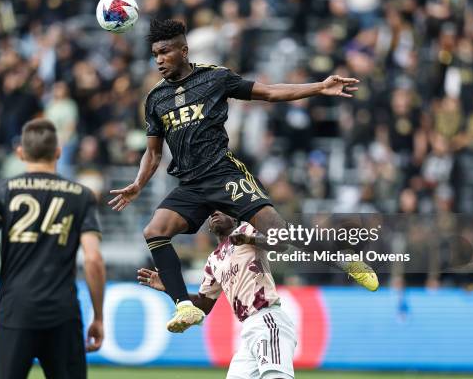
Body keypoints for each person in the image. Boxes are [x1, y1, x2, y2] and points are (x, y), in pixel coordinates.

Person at [109, 19, 378, 333]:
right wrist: (138, 185)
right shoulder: (156, 99)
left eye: (165, 52)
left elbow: (270, 92)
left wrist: (318, 87)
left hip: (224, 175)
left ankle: (342, 258)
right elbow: (153, 153)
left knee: (279, 237)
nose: (159, 60)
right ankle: (184, 306)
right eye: (155, 54)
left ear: (184, 50)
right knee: (155, 231)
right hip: (190, 185)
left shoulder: (215, 78)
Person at [0, 118, 105, 379]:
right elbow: (93, 260)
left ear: (20, 153)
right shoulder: (81, 196)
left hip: (14, 311)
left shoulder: (3, 191)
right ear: (58, 152)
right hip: (63, 313)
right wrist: (98, 316)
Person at [138, 211, 296, 379]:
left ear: (234, 217)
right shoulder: (214, 260)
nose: (214, 212)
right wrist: (170, 288)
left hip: (267, 318)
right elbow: (203, 305)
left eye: (221, 209)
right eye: (211, 212)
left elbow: (281, 245)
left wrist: (249, 239)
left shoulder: (246, 230)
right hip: (248, 329)